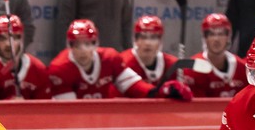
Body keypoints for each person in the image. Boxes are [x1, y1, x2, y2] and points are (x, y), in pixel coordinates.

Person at [48, 19, 191, 101]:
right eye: (77, 44)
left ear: (96, 44)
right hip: (75, 125)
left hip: (105, 121)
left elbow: (137, 88)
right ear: (69, 46)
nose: (83, 50)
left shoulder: (110, 59)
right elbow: (70, 111)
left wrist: (163, 90)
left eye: (88, 43)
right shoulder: (60, 68)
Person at [0, 14, 50, 100]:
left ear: (21, 39)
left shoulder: (38, 69)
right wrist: (9, 105)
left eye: (14, 38)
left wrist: (26, 108)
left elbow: (45, 108)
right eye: (2, 38)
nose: (8, 44)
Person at [182, 14, 248, 98]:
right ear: (205, 37)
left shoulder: (242, 68)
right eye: (212, 34)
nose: (216, 39)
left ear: (228, 36)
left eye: (221, 34)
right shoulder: (192, 69)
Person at [53, 0, 132, 53]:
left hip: (114, 58)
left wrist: (128, 55)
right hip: (85, 58)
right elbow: (64, 24)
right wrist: (65, 57)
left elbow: (126, 24)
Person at [119, 15, 178, 88]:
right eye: (143, 37)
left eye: (153, 38)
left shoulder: (172, 64)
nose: (148, 43)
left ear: (160, 41)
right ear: (136, 40)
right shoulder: (123, 62)